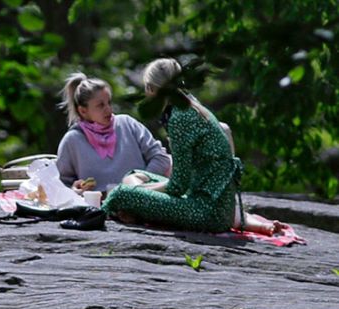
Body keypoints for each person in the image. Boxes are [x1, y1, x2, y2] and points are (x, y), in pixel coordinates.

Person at [102, 58, 283, 235]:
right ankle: (133, 210)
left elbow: (177, 187)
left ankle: (117, 212)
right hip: (217, 206)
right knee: (134, 175)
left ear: (151, 89)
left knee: (120, 194)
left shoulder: (179, 118)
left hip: (206, 212)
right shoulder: (192, 104)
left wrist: (137, 192)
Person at [56, 73, 172, 194]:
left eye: (109, 102)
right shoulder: (72, 140)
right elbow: (60, 185)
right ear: (83, 111)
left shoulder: (128, 124)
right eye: (101, 105)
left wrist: (141, 185)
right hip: (97, 205)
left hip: (141, 200)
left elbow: (161, 157)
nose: (109, 109)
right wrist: (75, 190)